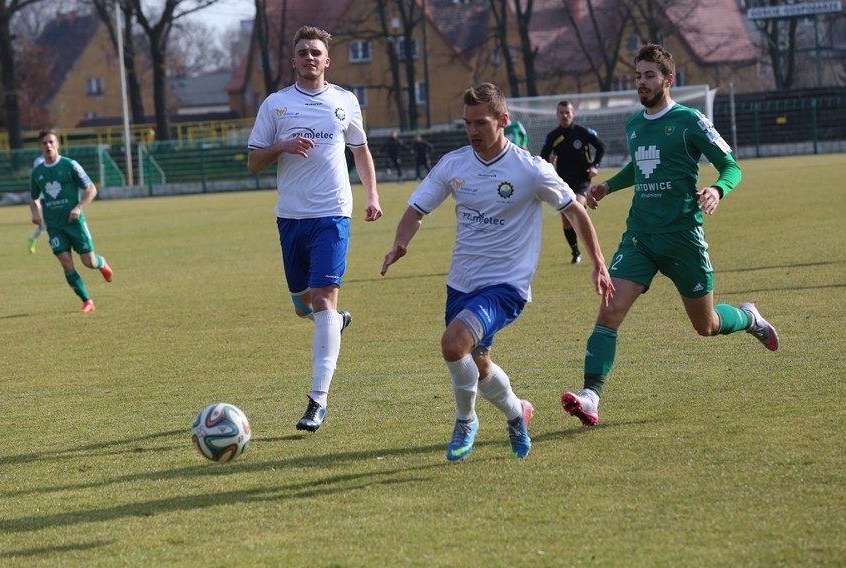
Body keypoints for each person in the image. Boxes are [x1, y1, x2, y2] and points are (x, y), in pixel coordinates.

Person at [381, 83, 613, 461]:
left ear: (503, 121)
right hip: (462, 282)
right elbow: (416, 210)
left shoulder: (530, 169)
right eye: (467, 123)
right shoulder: (454, 164)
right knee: (477, 362)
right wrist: (400, 242)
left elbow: (575, 211)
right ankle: (515, 412)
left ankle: (465, 419)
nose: (473, 131)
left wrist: (598, 263)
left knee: (453, 343)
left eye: (481, 123)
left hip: (507, 286)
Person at [560, 44, 780, 428]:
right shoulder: (634, 125)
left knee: (706, 325)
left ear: (668, 80)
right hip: (640, 238)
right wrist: (609, 185)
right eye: (637, 75)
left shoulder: (690, 121)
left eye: (648, 76)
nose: (641, 82)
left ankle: (748, 318)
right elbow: (641, 167)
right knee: (609, 311)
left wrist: (716, 189)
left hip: (683, 238)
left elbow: (731, 166)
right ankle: (590, 396)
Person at [247, 26, 383, 433]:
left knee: (324, 299)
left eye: (316, 52)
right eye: (303, 52)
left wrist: (372, 195)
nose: (309, 57)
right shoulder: (276, 105)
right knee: (302, 304)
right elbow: (253, 161)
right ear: (293, 61)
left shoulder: (344, 102)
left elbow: (360, 150)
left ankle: (317, 402)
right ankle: (335, 323)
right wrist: (280, 147)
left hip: (332, 214)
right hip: (291, 217)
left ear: (327, 61)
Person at [29, 129, 114, 313]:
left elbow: (91, 188)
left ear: (58, 144)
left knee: (88, 262)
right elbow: (34, 197)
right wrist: (35, 213)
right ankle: (87, 301)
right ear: (40, 147)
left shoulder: (70, 165)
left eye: (51, 142)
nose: (48, 146)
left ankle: (102, 263)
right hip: (54, 226)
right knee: (66, 262)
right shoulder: (37, 173)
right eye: (44, 143)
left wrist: (79, 207)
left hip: (74, 222)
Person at [540, 100, 606, 264]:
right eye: (561, 112)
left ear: (573, 114)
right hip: (563, 181)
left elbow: (601, 146)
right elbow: (542, 157)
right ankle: (575, 252)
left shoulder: (582, 132)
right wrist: (550, 162)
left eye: (567, 112)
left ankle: (582, 212)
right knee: (567, 220)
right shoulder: (553, 136)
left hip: (582, 179)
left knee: (577, 203)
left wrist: (594, 165)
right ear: (557, 115)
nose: (565, 115)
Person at [27, 155, 46, 253]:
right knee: (45, 225)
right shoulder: (39, 160)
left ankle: (32, 239)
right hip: (44, 197)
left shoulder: (60, 160)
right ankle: (32, 239)